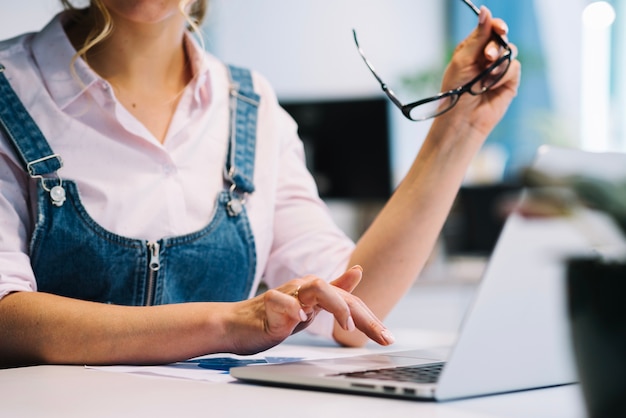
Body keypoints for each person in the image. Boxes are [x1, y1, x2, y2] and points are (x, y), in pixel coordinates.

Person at [0, 0, 520, 368]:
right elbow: (7, 320)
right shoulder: (10, 89)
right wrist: (228, 324)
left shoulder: (250, 105)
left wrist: (459, 129)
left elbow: (354, 311)